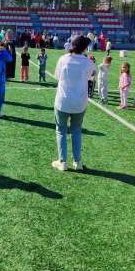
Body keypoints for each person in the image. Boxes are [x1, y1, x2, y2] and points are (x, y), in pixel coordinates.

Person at [51, 35, 96, 171]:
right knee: (76, 131)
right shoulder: (88, 62)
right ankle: (77, 162)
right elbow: (91, 76)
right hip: (80, 102)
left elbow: (57, 76)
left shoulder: (63, 59)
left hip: (63, 101)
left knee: (61, 131)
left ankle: (62, 161)